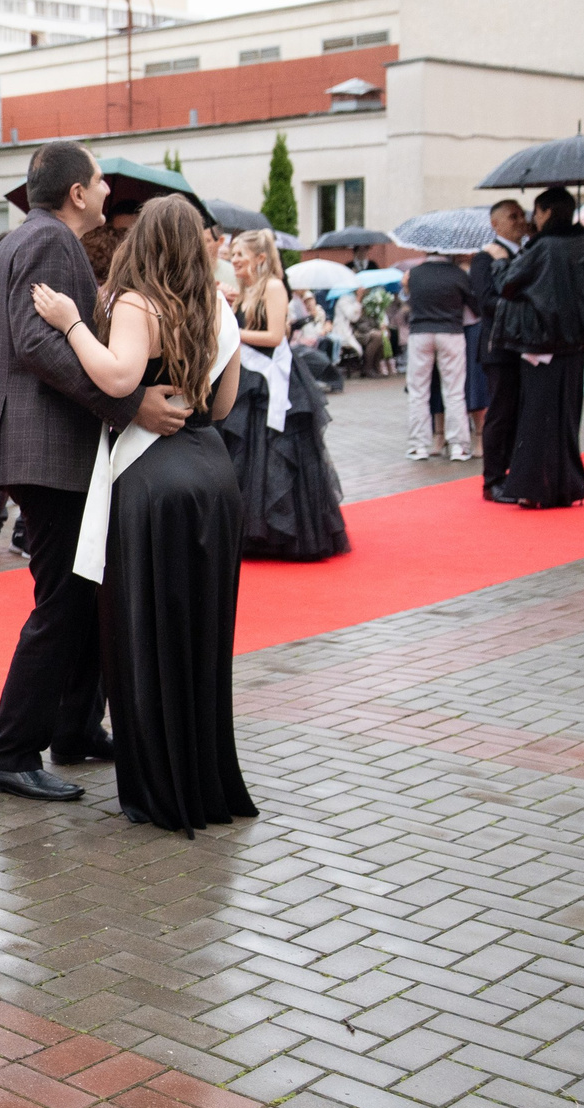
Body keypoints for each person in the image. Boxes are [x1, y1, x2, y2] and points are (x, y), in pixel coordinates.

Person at [0, 141, 183, 802]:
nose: (108, 193)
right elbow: (37, 342)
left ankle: (75, 726)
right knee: (62, 600)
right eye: (99, 181)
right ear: (78, 193)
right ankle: (8, 751)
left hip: (37, 446)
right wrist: (127, 401)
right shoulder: (53, 242)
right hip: (46, 449)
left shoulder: (17, 239)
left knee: (81, 591)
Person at [28, 195, 250, 835]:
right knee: (203, 635)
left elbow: (120, 378)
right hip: (212, 474)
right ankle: (204, 777)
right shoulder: (218, 308)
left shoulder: (137, 303)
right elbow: (226, 402)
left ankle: (160, 785)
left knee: (145, 628)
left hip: (153, 479)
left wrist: (71, 323)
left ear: (144, 242)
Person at [220, 232, 348, 560]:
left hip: (271, 382)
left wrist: (232, 330)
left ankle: (284, 532)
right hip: (249, 381)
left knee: (276, 453)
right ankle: (251, 531)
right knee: (246, 454)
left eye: (240, 254)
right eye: (232, 254)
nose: (233, 260)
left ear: (260, 258)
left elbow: (275, 336)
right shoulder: (245, 291)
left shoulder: (274, 286)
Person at [490, 186, 584, 509]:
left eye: (536, 212)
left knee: (537, 418)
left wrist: (499, 262)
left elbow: (507, 284)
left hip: (542, 343)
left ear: (547, 212)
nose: (532, 219)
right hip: (575, 342)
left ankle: (535, 488)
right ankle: (566, 486)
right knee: (567, 417)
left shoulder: (545, 247)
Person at [473, 197, 533, 493]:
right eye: (513, 217)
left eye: (522, 215)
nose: (521, 221)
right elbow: (485, 302)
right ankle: (493, 478)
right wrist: (523, 307)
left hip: (526, 345)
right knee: (500, 412)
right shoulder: (484, 258)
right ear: (495, 224)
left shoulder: (528, 252)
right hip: (499, 346)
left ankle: (514, 472)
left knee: (520, 411)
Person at [403, 250, 475, 462]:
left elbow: (410, 302)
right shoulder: (458, 274)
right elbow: (474, 304)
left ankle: (418, 445)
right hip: (451, 331)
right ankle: (458, 446)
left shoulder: (414, 274)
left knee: (418, 390)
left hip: (421, 332)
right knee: (454, 390)